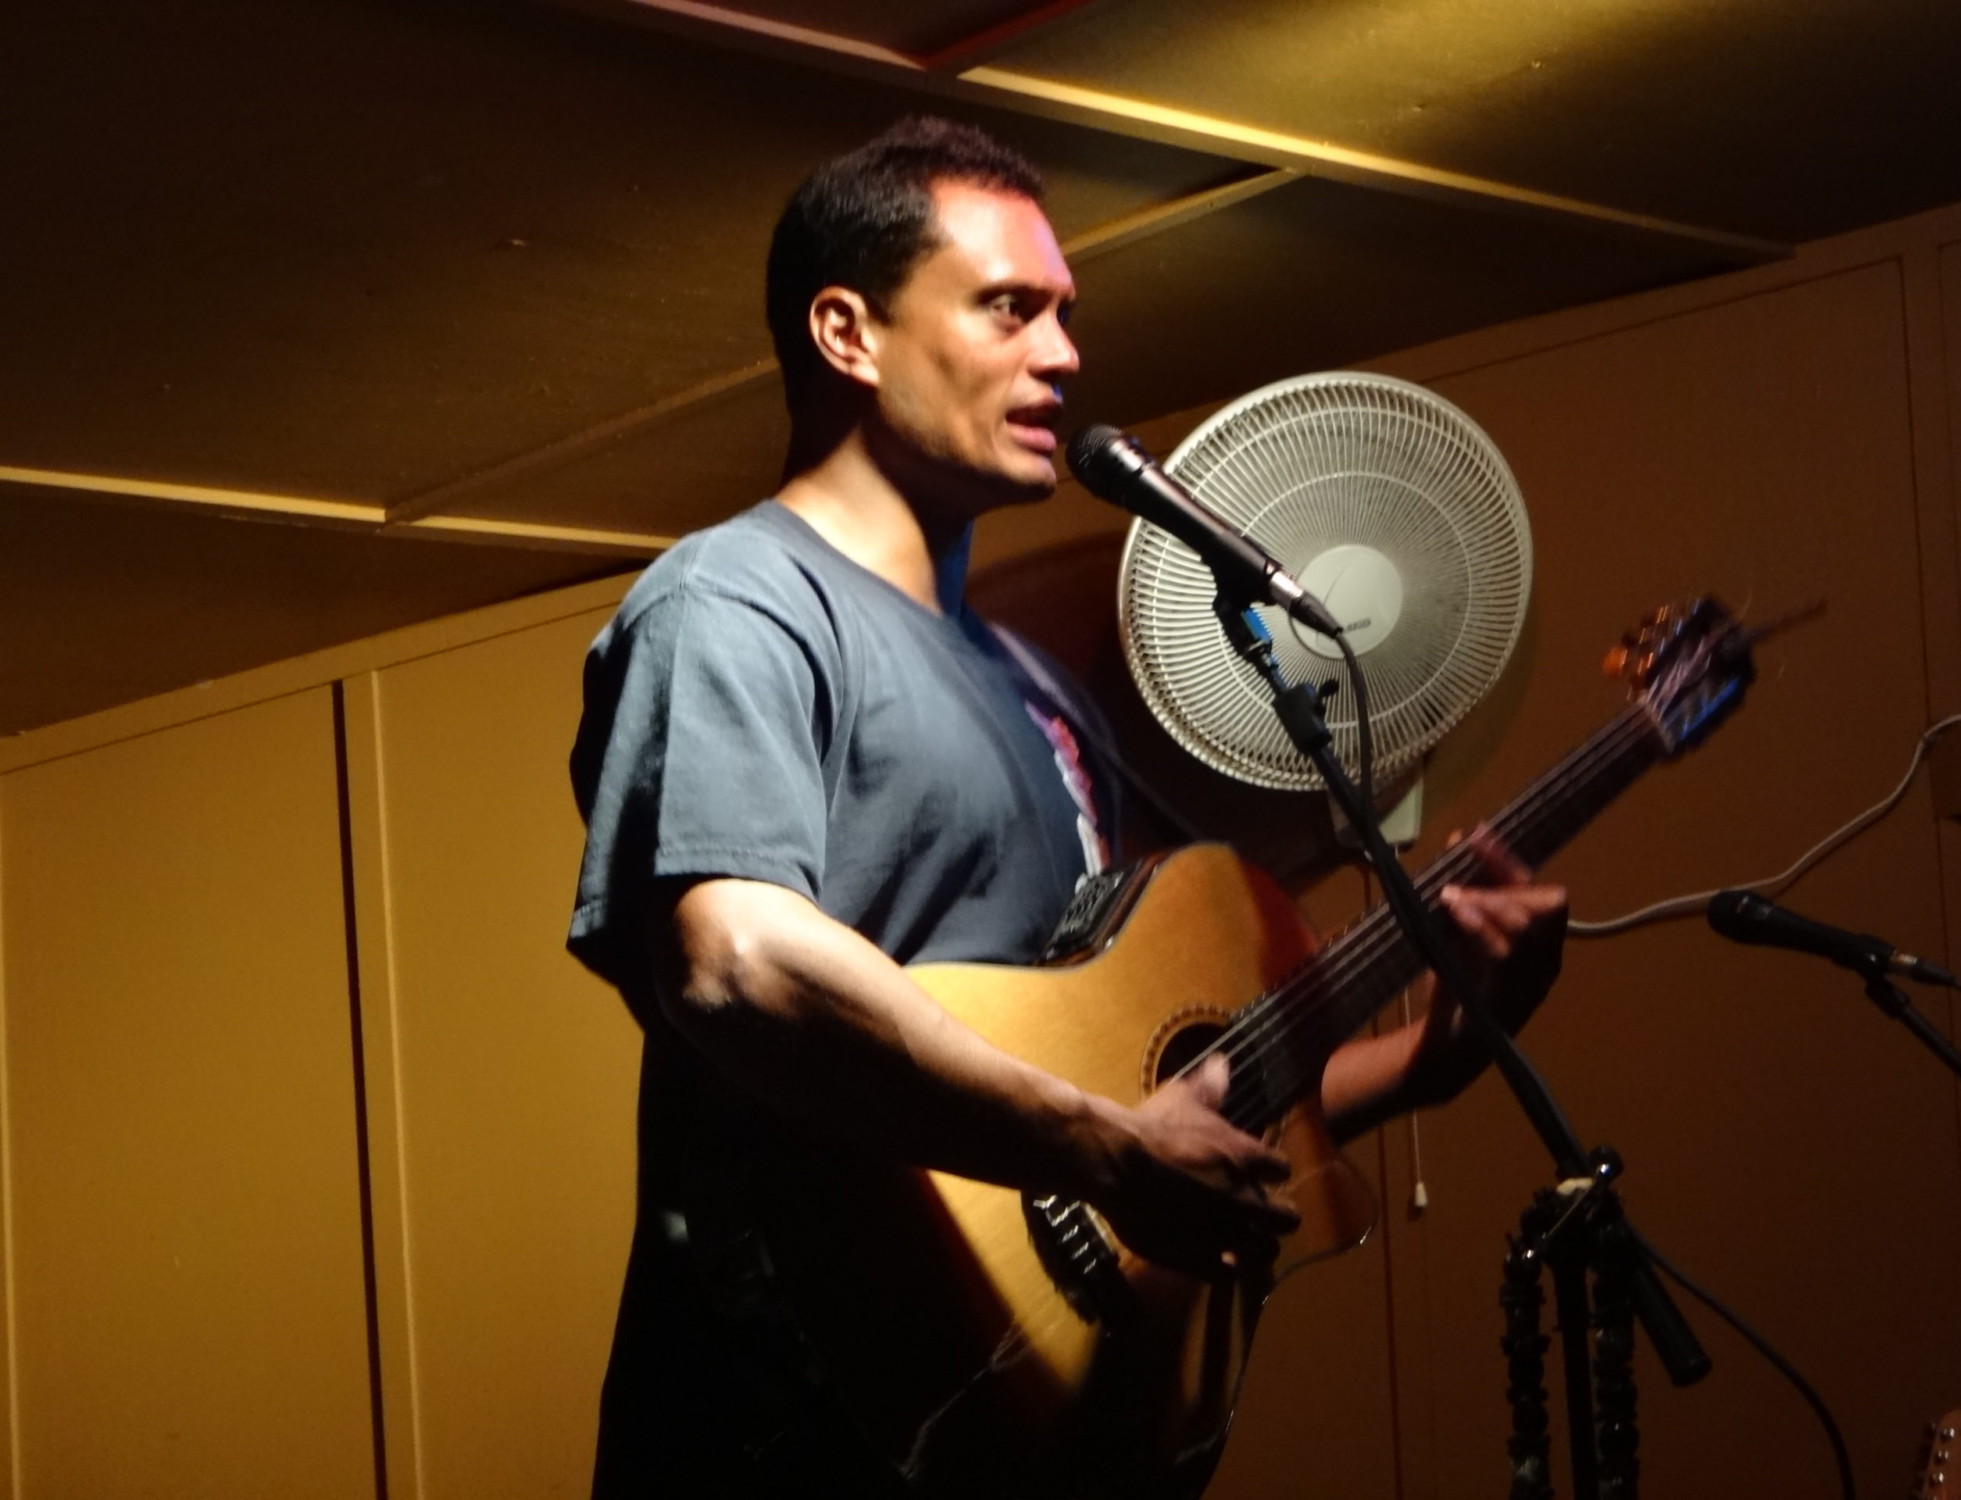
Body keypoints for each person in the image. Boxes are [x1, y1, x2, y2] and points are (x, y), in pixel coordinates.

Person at [567, 116, 1567, 1499]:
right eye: (1008, 307)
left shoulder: (1031, 686)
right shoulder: (733, 603)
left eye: (1066, 315)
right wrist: (1098, 1145)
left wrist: (1430, 1060)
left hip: (1037, 1442)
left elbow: (1156, 1093)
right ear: (848, 333)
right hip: (798, 1422)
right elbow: (734, 959)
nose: (1064, 354)